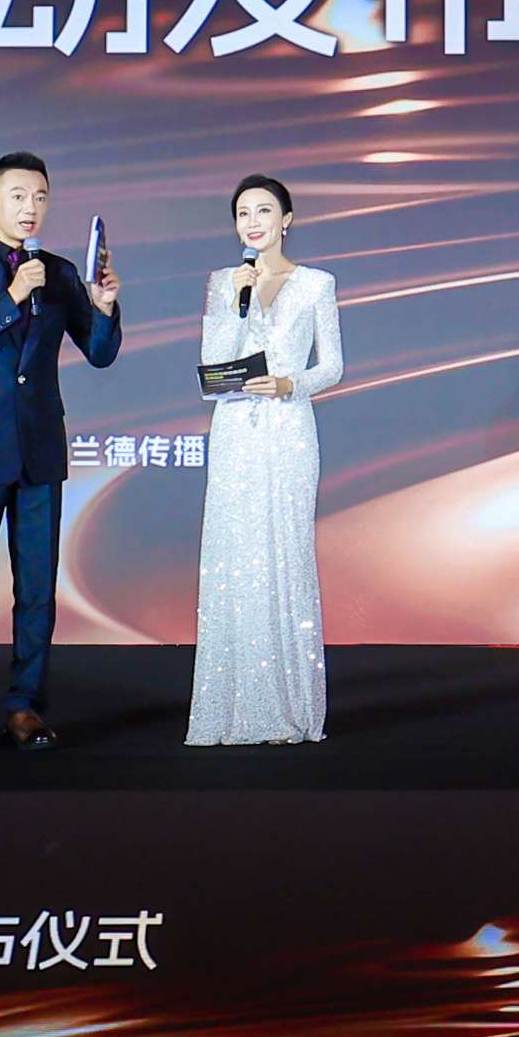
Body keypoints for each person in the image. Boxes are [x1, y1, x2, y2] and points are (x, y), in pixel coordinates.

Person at [0, 151, 120, 752]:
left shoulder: (60, 273)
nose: (29, 207)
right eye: (17, 196)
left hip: (39, 450)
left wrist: (104, 307)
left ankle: (25, 708)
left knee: (36, 588)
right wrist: (11, 297)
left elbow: (99, 353)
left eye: (39, 196)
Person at [188, 173, 342, 745]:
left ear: (286, 220)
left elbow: (333, 366)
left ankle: (290, 707)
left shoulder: (316, 284)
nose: (252, 223)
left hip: (289, 429)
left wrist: (288, 384)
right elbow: (212, 367)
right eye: (242, 214)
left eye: (263, 211)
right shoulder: (223, 283)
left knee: (284, 552)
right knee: (234, 558)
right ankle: (234, 707)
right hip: (235, 432)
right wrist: (234, 304)